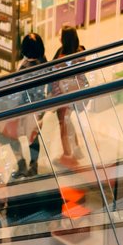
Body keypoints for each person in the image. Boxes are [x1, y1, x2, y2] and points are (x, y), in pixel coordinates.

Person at [0, 33, 48, 179]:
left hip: (24, 108)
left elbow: (20, 89)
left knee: (9, 134)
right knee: (33, 138)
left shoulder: (27, 67)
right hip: (38, 108)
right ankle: (32, 166)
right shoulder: (43, 61)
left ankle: (22, 163)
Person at [52, 26, 86, 167]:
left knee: (63, 124)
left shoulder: (63, 59)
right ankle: (76, 150)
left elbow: (53, 72)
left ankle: (67, 155)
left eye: (61, 34)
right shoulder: (80, 52)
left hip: (63, 95)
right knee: (68, 122)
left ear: (64, 39)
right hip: (75, 93)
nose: (58, 36)